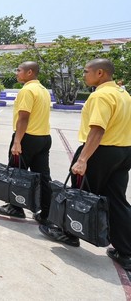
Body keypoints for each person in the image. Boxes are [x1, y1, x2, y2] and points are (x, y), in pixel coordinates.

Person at [40, 58, 131, 266]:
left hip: (99, 152)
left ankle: (69, 233)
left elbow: (97, 129)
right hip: (123, 150)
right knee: (117, 201)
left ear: (100, 73)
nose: (83, 75)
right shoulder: (122, 93)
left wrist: (82, 159)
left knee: (78, 194)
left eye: (85, 71)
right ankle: (126, 252)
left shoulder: (101, 95)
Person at [0, 61, 52, 219]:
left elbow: (24, 117)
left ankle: (15, 207)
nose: (16, 73)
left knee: (17, 173)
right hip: (43, 137)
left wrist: (17, 141)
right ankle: (46, 212)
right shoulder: (43, 90)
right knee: (43, 177)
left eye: (19, 70)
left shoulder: (27, 90)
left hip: (27, 138)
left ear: (29, 72)